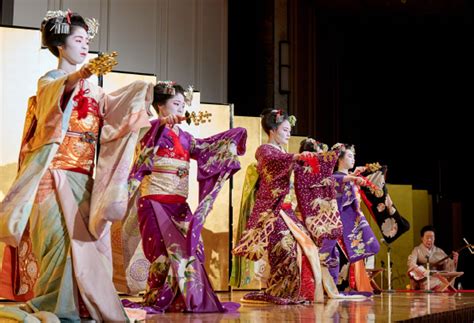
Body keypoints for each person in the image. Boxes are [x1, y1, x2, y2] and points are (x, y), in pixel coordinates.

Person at [0, 9, 153, 321]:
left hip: (84, 180)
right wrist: (80, 75)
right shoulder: (50, 82)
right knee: (58, 246)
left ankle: (81, 307)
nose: (85, 47)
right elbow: (58, 96)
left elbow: (114, 122)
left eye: (87, 42)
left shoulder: (96, 92)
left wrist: (146, 96)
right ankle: (56, 307)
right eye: (79, 40)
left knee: (85, 247)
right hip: (53, 176)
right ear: (61, 46)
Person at [119, 81, 246, 313]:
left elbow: (206, 148)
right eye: (176, 104)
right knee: (160, 255)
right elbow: (144, 150)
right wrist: (160, 125)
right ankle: (158, 297)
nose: (181, 108)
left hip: (178, 204)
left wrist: (232, 136)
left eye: (182, 104)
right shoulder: (149, 129)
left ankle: (187, 298)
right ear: (160, 105)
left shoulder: (186, 137)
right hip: (154, 201)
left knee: (193, 248)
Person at [332, 143, 380, 293]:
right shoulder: (335, 178)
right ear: (339, 158)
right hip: (342, 222)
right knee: (344, 256)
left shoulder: (351, 178)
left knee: (362, 251)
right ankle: (340, 287)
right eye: (349, 156)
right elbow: (339, 182)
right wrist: (353, 177)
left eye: (354, 156)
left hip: (353, 221)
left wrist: (355, 176)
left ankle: (351, 286)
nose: (353, 159)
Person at [407, 225, 459, 290]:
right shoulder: (417, 250)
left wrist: (454, 260)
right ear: (422, 238)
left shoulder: (439, 251)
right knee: (442, 283)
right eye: (427, 237)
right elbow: (412, 263)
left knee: (443, 281)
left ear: (434, 238)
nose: (429, 240)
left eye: (431, 237)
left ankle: (443, 288)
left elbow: (449, 266)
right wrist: (419, 270)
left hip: (438, 277)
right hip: (424, 279)